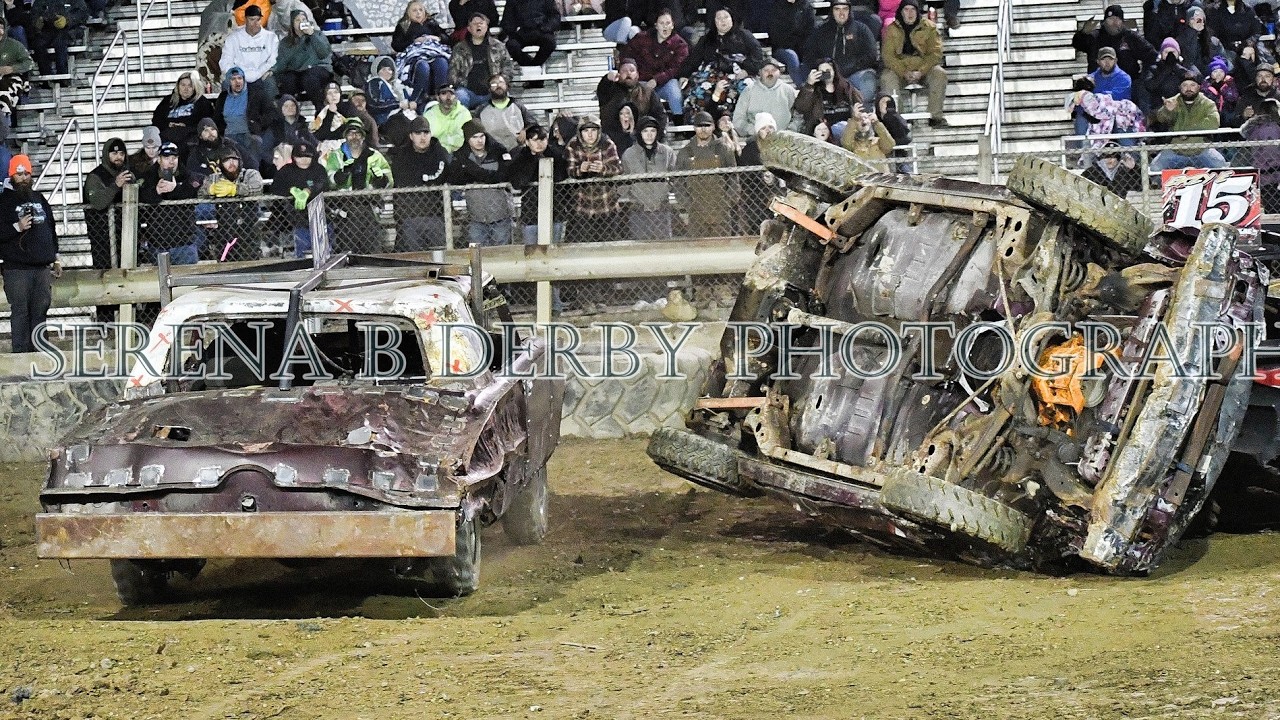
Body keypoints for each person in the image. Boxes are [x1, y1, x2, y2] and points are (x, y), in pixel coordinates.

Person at [0, 154, 59, 353]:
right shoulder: (3, 201)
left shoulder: (39, 198)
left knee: (40, 313)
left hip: (41, 267)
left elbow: (51, 228)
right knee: (20, 313)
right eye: (19, 174)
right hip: (16, 269)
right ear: (11, 175)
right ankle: (21, 356)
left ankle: (40, 355)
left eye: (26, 173)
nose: (23, 178)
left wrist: (56, 257)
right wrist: (17, 227)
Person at [677, 7, 764, 119]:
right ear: (714, 22)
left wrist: (747, 71)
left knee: (747, 88)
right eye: (719, 18)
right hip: (712, 75)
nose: (723, 21)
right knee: (698, 91)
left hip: (738, 74)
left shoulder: (744, 36)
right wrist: (684, 75)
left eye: (726, 17)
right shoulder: (706, 39)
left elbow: (757, 56)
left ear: (732, 19)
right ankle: (702, 122)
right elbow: (693, 59)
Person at [322, 117, 393, 252]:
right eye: (350, 134)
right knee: (348, 252)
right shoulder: (336, 156)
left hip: (369, 209)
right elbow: (328, 181)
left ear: (363, 136)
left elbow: (389, 182)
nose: (354, 137)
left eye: (357, 133)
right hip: (345, 211)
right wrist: (341, 175)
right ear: (345, 136)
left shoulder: (374, 155)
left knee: (372, 251)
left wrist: (380, 179)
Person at [81, 137, 130, 322]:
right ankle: (106, 324)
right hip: (102, 241)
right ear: (106, 155)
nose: (118, 157)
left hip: (125, 238)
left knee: (129, 281)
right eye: (114, 153)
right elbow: (98, 202)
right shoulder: (96, 177)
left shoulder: (128, 174)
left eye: (121, 153)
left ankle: (130, 320)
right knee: (105, 282)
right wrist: (115, 186)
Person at [1073, 4, 1157, 107]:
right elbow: (1078, 44)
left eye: (1117, 19)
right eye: (1110, 19)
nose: (1114, 22)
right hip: (1099, 84)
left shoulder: (1130, 37)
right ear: (1104, 21)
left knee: (1142, 91)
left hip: (1127, 84)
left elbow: (1151, 55)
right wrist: (1083, 33)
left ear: (1122, 21)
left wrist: (1145, 76)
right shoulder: (1095, 37)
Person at [388, 115, 452, 250]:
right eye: (418, 133)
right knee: (414, 256)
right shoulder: (401, 156)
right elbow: (404, 181)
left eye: (426, 133)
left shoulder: (440, 153)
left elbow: (446, 177)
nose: (422, 137)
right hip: (409, 217)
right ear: (411, 136)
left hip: (436, 215)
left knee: (440, 255)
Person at [881, 0, 948, 127]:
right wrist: (903, 72)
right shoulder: (891, 29)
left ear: (917, 12)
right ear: (901, 12)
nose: (910, 13)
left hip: (923, 66)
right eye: (906, 10)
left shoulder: (929, 27)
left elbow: (935, 53)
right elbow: (888, 56)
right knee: (887, 78)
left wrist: (921, 71)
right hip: (900, 67)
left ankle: (935, 116)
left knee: (940, 74)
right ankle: (897, 120)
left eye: (913, 9)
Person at [674, 110, 738, 238]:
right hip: (695, 214)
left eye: (707, 125)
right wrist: (687, 205)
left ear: (713, 127)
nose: (703, 129)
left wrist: (727, 202)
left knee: (722, 246)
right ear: (694, 128)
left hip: (721, 213)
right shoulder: (685, 152)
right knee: (697, 248)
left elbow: (733, 179)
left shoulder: (724, 150)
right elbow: (678, 183)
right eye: (699, 126)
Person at [199, 144, 266, 261]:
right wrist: (210, 190)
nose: (231, 163)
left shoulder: (250, 174)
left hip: (248, 231)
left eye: (234, 159)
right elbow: (200, 193)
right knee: (225, 264)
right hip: (225, 232)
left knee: (250, 263)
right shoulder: (214, 178)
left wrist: (236, 189)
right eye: (226, 160)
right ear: (220, 164)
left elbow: (258, 187)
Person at [452, 118, 512, 246]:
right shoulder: (461, 155)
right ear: (467, 139)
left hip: (500, 215)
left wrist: (472, 172)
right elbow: (456, 179)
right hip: (475, 217)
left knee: (502, 251)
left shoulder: (498, 151)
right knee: (476, 252)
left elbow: (504, 175)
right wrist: (489, 176)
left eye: (482, 136)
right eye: (474, 137)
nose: (479, 140)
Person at [1151, 70, 1228, 171]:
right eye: (1185, 85)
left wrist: (1187, 130)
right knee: (1154, 168)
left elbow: (1214, 122)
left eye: (1192, 85)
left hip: (1201, 149)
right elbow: (1160, 118)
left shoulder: (1207, 103)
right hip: (1176, 150)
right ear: (1180, 87)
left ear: (1198, 87)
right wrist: (1167, 110)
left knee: (1221, 165)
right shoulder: (1173, 101)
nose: (1188, 88)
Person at [507, 121, 569, 247]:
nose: (539, 144)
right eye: (535, 140)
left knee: (554, 247)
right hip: (531, 211)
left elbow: (562, 177)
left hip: (555, 209)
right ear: (527, 142)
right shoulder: (520, 157)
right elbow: (518, 182)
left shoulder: (556, 154)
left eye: (542, 139)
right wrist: (534, 159)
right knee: (531, 249)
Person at [805, 0, 879, 104]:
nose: (841, 13)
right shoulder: (820, 31)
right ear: (832, 11)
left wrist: (852, 67)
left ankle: (853, 107)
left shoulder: (861, 29)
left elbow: (871, 55)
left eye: (845, 9)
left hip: (855, 74)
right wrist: (822, 64)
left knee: (867, 83)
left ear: (849, 11)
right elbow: (809, 56)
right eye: (837, 9)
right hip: (829, 76)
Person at [138, 142, 200, 265]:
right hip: (158, 245)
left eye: (174, 157)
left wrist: (175, 189)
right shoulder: (149, 177)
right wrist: (156, 191)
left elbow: (193, 192)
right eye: (166, 158)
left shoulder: (187, 176)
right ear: (159, 159)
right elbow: (140, 195)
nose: (171, 161)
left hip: (184, 245)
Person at [565, 114, 622, 242]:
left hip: (606, 205)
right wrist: (580, 170)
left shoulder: (607, 144)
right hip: (582, 206)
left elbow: (618, 168)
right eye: (586, 131)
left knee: (609, 244)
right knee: (583, 245)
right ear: (580, 132)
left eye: (593, 130)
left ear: (599, 131)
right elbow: (569, 170)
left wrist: (603, 168)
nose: (590, 135)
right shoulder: (573, 145)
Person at [624, 10, 688, 122]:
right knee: (638, 93)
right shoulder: (641, 38)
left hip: (665, 82)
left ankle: (679, 121)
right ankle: (640, 122)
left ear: (672, 25)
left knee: (674, 91)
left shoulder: (680, 45)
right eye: (661, 23)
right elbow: (627, 55)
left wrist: (656, 80)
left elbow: (675, 69)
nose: (665, 26)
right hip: (642, 81)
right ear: (656, 25)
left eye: (668, 23)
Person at [620, 114, 675, 240]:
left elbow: (675, 176)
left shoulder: (667, 152)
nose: (649, 135)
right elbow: (623, 181)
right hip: (638, 210)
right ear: (639, 133)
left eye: (652, 131)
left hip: (662, 209)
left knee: (664, 245)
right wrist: (632, 196)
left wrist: (665, 189)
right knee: (641, 246)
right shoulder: (629, 154)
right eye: (645, 131)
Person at [269, 139, 329, 257]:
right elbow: (275, 187)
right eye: (300, 157)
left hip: (320, 216)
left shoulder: (318, 169)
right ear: (294, 157)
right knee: (301, 252)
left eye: (307, 156)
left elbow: (323, 184)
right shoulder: (287, 170)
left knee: (322, 253)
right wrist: (291, 190)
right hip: (295, 218)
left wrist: (308, 191)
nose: (304, 160)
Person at [214, 66, 279, 171]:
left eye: (240, 78)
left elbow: (271, 113)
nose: (237, 81)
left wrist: (258, 123)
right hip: (228, 136)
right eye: (233, 79)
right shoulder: (223, 97)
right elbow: (217, 119)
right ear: (228, 82)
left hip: (250, 135)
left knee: (253, 160)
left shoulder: (256, 94)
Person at [448, 11, 516, 110]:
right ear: (469, 29)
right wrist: (464, 83)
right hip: (468, 91)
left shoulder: (498, 46)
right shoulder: (459, 48)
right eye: (475, 23)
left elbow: (508, 66)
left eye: (481, 23)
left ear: (486, 27)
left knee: (503, 95)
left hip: (491, 91)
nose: (478, 25)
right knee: (460, 96)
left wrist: (499, 81)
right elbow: (452, 72)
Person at [391, 0, 451, 107]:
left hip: (434, 52)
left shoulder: (432, 24)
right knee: (423, 66)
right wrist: (414, 41)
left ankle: (442, 98)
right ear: (408, 13)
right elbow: (396, 45)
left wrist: (436, 38)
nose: (418, 13)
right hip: (415, 56)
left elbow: (447, 39)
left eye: (420, 10)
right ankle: (418, 100)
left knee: (442, 63)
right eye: (414, 10)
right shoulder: (403, 26)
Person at [597, 57, 666, 141]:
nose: (628, 73)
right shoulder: (609, 90)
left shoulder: (647, 91)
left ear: (637, 74)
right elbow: (602, 88)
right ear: (619, 74)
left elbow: (660, 115)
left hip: (641, 140)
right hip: (614, 140)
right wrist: (607, 78)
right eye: (624, 71)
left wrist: (656, 137)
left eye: (632, 70)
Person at [219, 4, 279, 98]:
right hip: (238, 75)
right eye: (252, 19)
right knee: (227, 84)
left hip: (262, 75)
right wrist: (238, 75)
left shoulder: (271, 37)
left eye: (258, 19)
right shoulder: (233, 38)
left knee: (270, 84)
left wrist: (260, 73)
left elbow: (273, 60)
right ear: (245, 19)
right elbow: (226, 61)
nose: (256, 23)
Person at [274, 8, 332, 104]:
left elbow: (324, 53)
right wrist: (272, 70)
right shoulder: (286, 42)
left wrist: (312, 35)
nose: (301, 22)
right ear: (292, 24)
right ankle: (288, 108)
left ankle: (320, 108)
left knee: (310, 78)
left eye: (304, 19)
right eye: (297, 20)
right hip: (298, 73)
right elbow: (281, 63)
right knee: (287, 80)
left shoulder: (318, 34)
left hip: (319, 70)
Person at [793, 58, 860, 136]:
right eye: (822, 71)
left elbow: (859, 104)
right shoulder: (813, 90)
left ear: (834, 71)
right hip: (823, 132)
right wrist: (809, 85)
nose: (825, 73)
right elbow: (800, 108)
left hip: (846, 130)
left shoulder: (846, 87)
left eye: (828, 70)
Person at [732, 58, 797, 137]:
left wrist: (790, 131)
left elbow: (798, 115)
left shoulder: (788, 90)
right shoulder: (749, 90)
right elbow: (738, 118)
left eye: (774, 70)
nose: (770, 73)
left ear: (779, 72)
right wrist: (755, 131)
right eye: (766, 70)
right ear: (760, 72)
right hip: (755, 137)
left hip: (783, 138)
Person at [152, 72, 218, 148]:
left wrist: (186, 126)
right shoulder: (168, 101)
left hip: (191, 140)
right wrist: (168, 124)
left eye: (190, 86)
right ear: (178, 86)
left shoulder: (202, 102)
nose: (186, 89)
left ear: (195, 87)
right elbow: (156, 120)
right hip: (167, 138)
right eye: (183, 85)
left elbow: (206, 123)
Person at [499, 0, 559, 77]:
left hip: (541, 30)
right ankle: (532, 68)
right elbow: (507, 20)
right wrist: (513, 30)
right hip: (521, 32)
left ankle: (534, 67)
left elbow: (555, 16)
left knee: (550, 42)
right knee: (511, 45)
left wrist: (546, 28)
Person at [30, 0, 87, 80]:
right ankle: (46, 76)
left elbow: (83, 12)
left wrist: (67, 20)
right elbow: (34, 14)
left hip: (70, 30)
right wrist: (37, 22)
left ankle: (62, 74)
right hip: (48, 30)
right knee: (38, 44)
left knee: (60, 41)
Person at [1241, 97, 1280, 212]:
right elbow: (1271, 153)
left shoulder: (1256, 126)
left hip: (1263, 172)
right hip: (1272, 172)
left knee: (1270, 202)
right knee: (1274, 205)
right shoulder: (1270, 128)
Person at [478, 72, 535, 150]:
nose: (498, 86)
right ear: (489, 89)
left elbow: (533, 124)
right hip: (493, 151)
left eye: (501, 82)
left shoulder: (518, 106)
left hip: (518, 150)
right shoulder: (482, 110)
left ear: (507, 86)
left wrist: (525, 131)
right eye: (494, 84)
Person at [766, 0, 816, 82]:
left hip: (802, 47)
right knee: (792, 56)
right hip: (782, 48)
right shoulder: (776, 7)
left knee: (810, 56)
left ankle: (809, 84)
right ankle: (801, 86)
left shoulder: (806, 7)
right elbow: (775, 35)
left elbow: (810, 32)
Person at [1176, 6, 1228, 77]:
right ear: (1188, 22)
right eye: (1192, 19)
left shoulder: (1213, 41)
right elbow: (1188, 61)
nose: (1197, 21)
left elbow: (1222, 59)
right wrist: (1193, 31)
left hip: (1211, 77)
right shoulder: (1180, 40)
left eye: (1200, 18)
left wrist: (1217, 69)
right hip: (1190, 78)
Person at [1145, 38, 1193, 113]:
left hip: (1183, 106)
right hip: (1161, 107)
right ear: (1161, 54)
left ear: (1178, 53)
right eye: (1166, 52)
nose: (1170, 54)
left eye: (1173, 52)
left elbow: (1196, 78)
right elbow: (1149, 85)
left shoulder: (1186, 65)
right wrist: (1166, 69)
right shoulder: (1154, 68)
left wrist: (1176, 67)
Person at [423, 82, 473, 152]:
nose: (448, 98)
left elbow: (462, 140)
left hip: (459, 154)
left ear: (456, 97)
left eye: (452, 94)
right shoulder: (429, 115)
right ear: (437, 97)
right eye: (444, 93)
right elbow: (426, 140)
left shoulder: (464, 114)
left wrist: (441, 140)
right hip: (435, 153)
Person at [366, 55, 415, 126]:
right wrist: (398, 104)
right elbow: (375, 105)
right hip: (385, 121)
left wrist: (412, 103)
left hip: (404, 117)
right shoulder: (375, 82)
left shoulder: (399, 86)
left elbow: (409, 100)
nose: (387, 72)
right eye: (383, 69)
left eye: (389, 69)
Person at [1203, 55, 1242, 127]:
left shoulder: (1230, 83)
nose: (1219, 74)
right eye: (1215, 71)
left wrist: (1223, 88)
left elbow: (1233, 98)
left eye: (1221, 71)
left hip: (1228, 115)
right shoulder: (1205, 86)